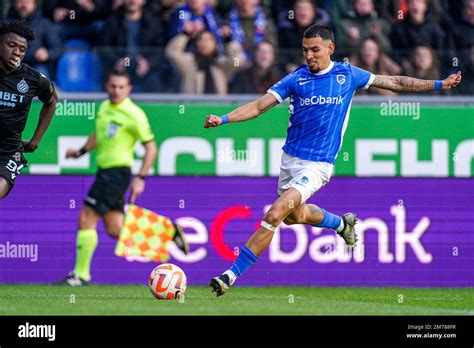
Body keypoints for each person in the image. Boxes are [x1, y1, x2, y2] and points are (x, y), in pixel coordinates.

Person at [204, 24, 462, 296]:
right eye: (305, 50)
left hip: (318, 165)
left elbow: (395, 82)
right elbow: (258, 107)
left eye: (315, 50)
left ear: (330, 49)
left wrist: (439, 83)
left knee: (275, 213)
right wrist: (223, 119)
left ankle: (229, 275)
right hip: (290, 161)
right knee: (295, 216)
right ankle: (341, 224)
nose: (309, 56)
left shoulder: (348, 75)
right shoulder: (296, 78)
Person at [60, 70, 188, 286]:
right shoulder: (104, 107)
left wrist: (141, 177)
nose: (116, 91)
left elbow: (151, 148)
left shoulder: (134, 114)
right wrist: (81, 151)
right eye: (112, 86)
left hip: (117, 173)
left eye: (121, 87)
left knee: (87, 218)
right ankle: (167, 231)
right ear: (106, 87)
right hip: (105, 171)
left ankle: (80, 275)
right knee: (114, 228)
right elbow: (99, 134)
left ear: (129, 89)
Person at [0, 20, 58, 200]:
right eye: (11, 45)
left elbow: (52, 101)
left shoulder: (33, 79)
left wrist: (35, 141)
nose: (17, 52)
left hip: (9, 154)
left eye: (22, 49)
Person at [100, 0, 164, 92]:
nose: (132, 1)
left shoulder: (153, 22)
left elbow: (160, 48)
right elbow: (104, 47)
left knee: (155, 82)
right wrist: (116, 61)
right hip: (118, 69)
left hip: (146, 70)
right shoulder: (113, 20)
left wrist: (149, 63)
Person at [166, 30, 245, 94]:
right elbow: (172, 53)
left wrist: (228, 40)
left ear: (215, 44)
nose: (205, 43)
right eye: (201, 40)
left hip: (218, 109)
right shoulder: (189, 61)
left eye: (209, 40)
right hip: (192, 109)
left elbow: (238, 61)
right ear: (196, 44)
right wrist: (185, 34)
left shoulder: (221, 64)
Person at [7, 0, 62, 79]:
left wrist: (47, 54)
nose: (23, 5)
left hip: (35, 65)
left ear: (35, 4)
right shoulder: (6, 23)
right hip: (10, 64)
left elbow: (58, 48)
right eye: (20, 2)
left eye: (27, 2)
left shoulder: (44, 23)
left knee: (41, 76)